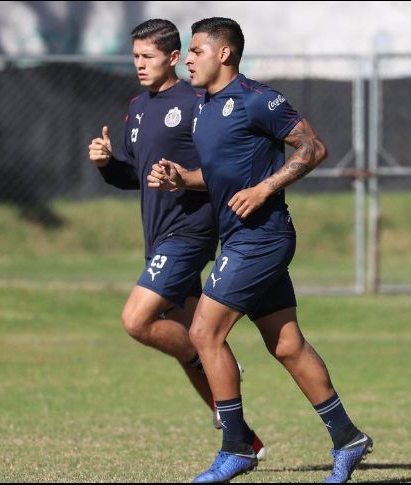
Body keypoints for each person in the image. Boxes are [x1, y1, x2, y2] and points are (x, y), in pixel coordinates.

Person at [148, 17, 372, 484]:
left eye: (196, 51)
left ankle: (236, 447)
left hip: (262, 237)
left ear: (224, 54)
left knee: (205, 332)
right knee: (286, 344)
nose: (187, 59)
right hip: (241, 238)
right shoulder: (204, 109)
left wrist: (265, 188)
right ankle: (348, 437)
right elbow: (221, 175)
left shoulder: (255, 99)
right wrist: (181, 179)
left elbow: (313, 147)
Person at [87, 18, 265, 459]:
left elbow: (224, 170)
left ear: (172, 57)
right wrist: (109, 163)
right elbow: (137, 177)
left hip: (190, 231)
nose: (140, 65)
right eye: (135, 57)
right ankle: (242, 438)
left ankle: (215, 363)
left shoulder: (197, 103)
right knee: (189, 336)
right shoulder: (138, 106)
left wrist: (184, 180)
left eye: (148, 57)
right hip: (158, 234)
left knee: (137, 321)